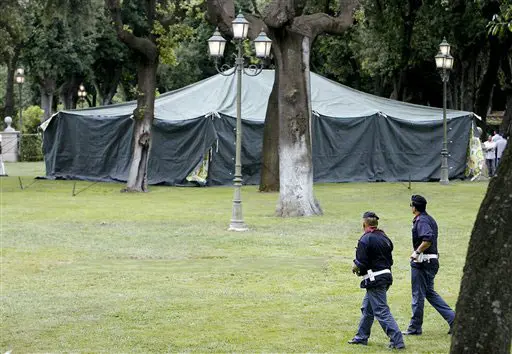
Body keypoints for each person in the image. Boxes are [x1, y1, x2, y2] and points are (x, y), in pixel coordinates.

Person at [349, 211, 405, 350]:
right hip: (386, 276)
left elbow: (361, 263)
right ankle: (361, 337)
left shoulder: (365, 239)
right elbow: (389, 259)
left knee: (380, 310)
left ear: (364, 224)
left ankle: (397, 340)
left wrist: (355, 267)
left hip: (375, 279)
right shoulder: (385, 237)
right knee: (367, 309)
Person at [402, 195, 455, 336]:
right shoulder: (429, 219)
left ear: (414, 207)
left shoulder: (422, 221)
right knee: (429, 293)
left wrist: (416, 252)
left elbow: (428, 239)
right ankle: (455, 320)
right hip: (431, 261)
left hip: (423, 263)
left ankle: (414, 328)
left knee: (418, 295)